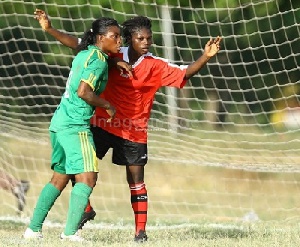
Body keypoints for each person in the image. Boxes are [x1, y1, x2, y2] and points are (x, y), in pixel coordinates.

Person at [34, 9, 222, 242]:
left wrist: (205, 57)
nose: (146, 43)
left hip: (133, 129)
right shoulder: (112, 52)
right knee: (78, 168)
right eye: (140, 38)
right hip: (102, 123)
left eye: (149, 39)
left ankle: (140, 232)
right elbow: (79, 44)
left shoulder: (156, 65)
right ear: (129, 38)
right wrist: (50, 29)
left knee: (135, 180)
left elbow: (184, 74)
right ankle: (85, 209)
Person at [23, 16, 121, 242]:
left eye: (119, 36)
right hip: (75, 125)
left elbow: (75, 43)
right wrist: (107, 105)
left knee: (59, 178)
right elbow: (84, 92)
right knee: (87, 177)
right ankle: (69, 234)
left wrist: (115, 62)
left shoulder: (86, 53)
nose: (118, 40)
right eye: (114, 36)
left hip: (59, 122)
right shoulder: (97, 59)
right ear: (100, 38)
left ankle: (33, 230)